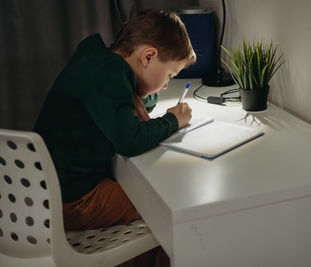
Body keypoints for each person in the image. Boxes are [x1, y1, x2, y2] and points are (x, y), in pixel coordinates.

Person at [34, 9, 196, 266]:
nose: (166, 86)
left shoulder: (96, 57)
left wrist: (142, 96)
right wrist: (174, 120)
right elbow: (130, 141)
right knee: (168, 210)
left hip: (43, 191)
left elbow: (119, 100)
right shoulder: (110, 75)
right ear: (149, 56)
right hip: (74, 200)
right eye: (169, 75)